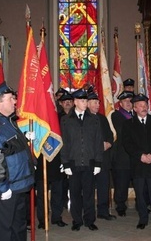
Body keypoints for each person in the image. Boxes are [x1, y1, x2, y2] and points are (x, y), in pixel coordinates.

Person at [0, 82, 36, 241]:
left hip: (18, 184)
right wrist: (2, 188)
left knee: (18, 227)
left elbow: (11, 148)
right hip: (6, 188)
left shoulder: (7, 120)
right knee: (3, 231)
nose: (15, 101)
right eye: (11, 99)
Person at [122, 94, 151, 233]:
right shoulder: (128, 124)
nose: (143, 108)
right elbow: (127, 144)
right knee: (141, 195)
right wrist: (140, 156)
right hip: (138, 165)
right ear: (135, 108)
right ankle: (143, 219)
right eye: (140, 106)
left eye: (145, 105)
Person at [60, 88, 104, 231]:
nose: (86, 103)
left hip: (89, 162)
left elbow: (98, 141)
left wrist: (98, 162)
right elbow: (64, 143)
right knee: (75, 193)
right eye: (83, 101)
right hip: (73, 163)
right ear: (75, 102)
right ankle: (77, 220)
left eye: (86, 100)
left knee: (89, 193)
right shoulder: (66, 120)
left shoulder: (94, 119)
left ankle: (90, 220)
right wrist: (65, 163)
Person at [87, 92, 116, 221]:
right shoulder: (83, 119)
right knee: (88, 187)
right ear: (87, 103)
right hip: (89, 159)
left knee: (104, 185)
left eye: (98, 102)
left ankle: (103, 211)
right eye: (95, 102)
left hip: (103, 158)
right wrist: (99, 145)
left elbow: (109, 134)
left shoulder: (102, 118)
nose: (98, 105)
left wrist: (109, 143)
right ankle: (89, 213)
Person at [111, 90, 134, 217]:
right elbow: (122, 131)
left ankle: (141, 203)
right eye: (125, 101)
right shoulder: (116, 115)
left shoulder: (136, 115)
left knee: (138, 181)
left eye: (130, 101)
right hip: (122, 156)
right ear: (120, 103)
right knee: (121, 183)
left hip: (135, 156)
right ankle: (120, 205)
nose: (128, 103)